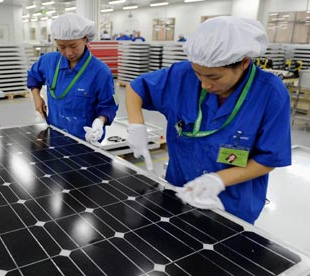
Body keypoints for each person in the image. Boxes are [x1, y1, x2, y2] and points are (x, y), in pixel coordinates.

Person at [125, 16, 291, 224]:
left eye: (214, 77)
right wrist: (136, 125)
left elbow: (269, 159)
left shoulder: (270, 94)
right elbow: (135, 88)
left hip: (231, 205)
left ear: (243, 63)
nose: (204, 84)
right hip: (180, 192)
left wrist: (218, 180)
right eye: (198, 74)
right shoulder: (182, 75)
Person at [27, 13, 118, 144]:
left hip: (84, 140)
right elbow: (33, 76)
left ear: (85, 39)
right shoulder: (49, 61)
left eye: (73, 46)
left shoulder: (100, 72)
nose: (68, 53)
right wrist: (37, 97)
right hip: (55, 135)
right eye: (62, 47)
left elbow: (108, 105)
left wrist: (100, 121)